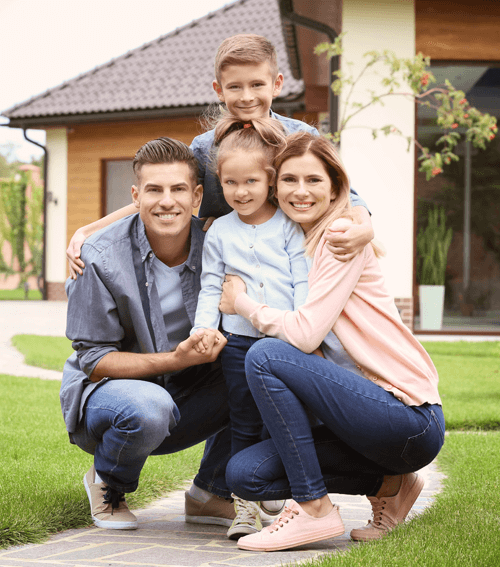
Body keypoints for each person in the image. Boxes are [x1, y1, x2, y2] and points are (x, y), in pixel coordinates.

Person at [219, 132, 445, 552]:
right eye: (289, 180)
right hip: (365, 422)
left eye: (313, 180)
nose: (300, 192)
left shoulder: (340, 235)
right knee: (245, 474)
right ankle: (392, 484)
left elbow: (304, 335)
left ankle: (313, 509)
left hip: (408, 416)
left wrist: (242, 303)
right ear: (274, 186)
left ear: (337, 187)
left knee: (265, 354)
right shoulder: (298, 240)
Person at [66, 34, 374, 279]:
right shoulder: (205, 147)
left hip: (295, 261)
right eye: (235, 87)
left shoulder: (301, 138)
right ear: (219, 90)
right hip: (231, 266)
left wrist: (365, 229)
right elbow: (163, 193)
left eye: (257, 84)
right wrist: (88, 231)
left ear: (277, 84)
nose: (247, 96)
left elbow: (348, 197)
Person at [61, 137, 238, 531]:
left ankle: (211, 491)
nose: (166, 201)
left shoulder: (220, 245)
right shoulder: (100, 256)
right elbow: (93, 362)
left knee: (262, 365)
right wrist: (177, 359)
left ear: (196, 197)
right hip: (111, 401)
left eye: (178, 189)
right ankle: (108, 482)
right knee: (149, 406)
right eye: (154, 190)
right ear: (136, 195)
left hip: (187, 391)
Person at [191, 115, 309, 539]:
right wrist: (203, 329)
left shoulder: (290, 226)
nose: (240, 193)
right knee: (242, 421)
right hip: (239, 341)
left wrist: (302, 330)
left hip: (284, 342)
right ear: (219, 183)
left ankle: (293, 502)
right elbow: (210, 285)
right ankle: (244, 508)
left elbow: (302, 283)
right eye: (230, 184)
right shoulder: (219, 231)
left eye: (251, 183)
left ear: (270, 180)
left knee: (284, 420)